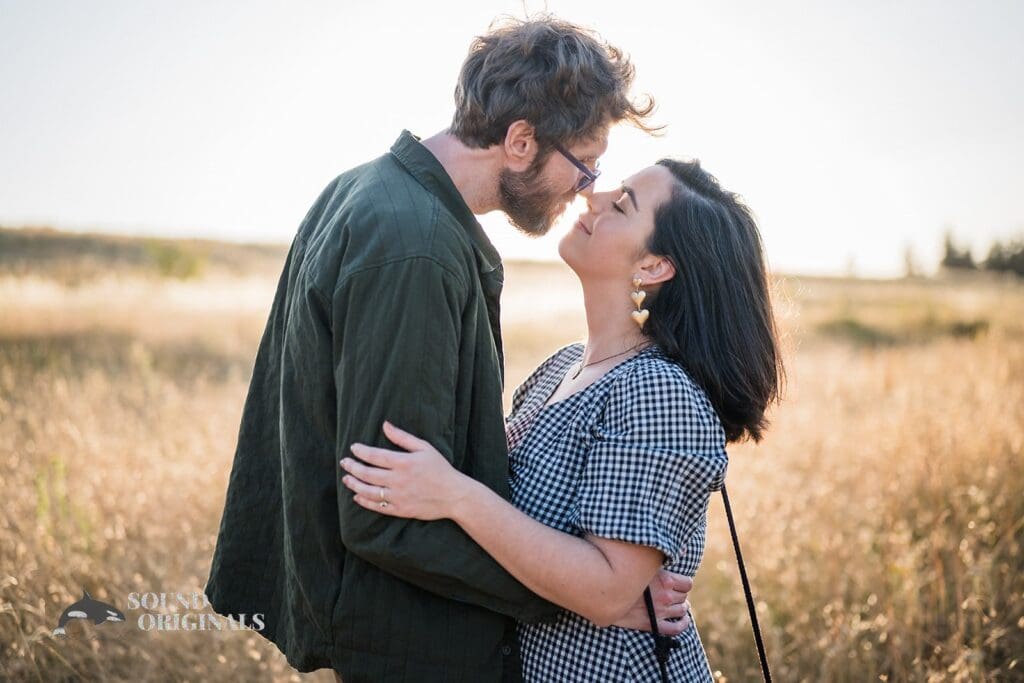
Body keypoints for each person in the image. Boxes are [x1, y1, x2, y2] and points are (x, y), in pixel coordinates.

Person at [203, 16, 697, 683]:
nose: (587, 191)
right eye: (584, 167)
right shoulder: (419, 248)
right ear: (520, 142)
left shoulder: (363, 187)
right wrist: (594, 599)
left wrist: (602, 577)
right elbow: (387, 509)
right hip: (416, 646)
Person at [339, 159, 785, 681]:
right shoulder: (561, 366)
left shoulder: (659, 393)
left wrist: (454, 494)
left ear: (654, 267)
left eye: (621, 205)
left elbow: (602, 590)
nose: (593, 195)